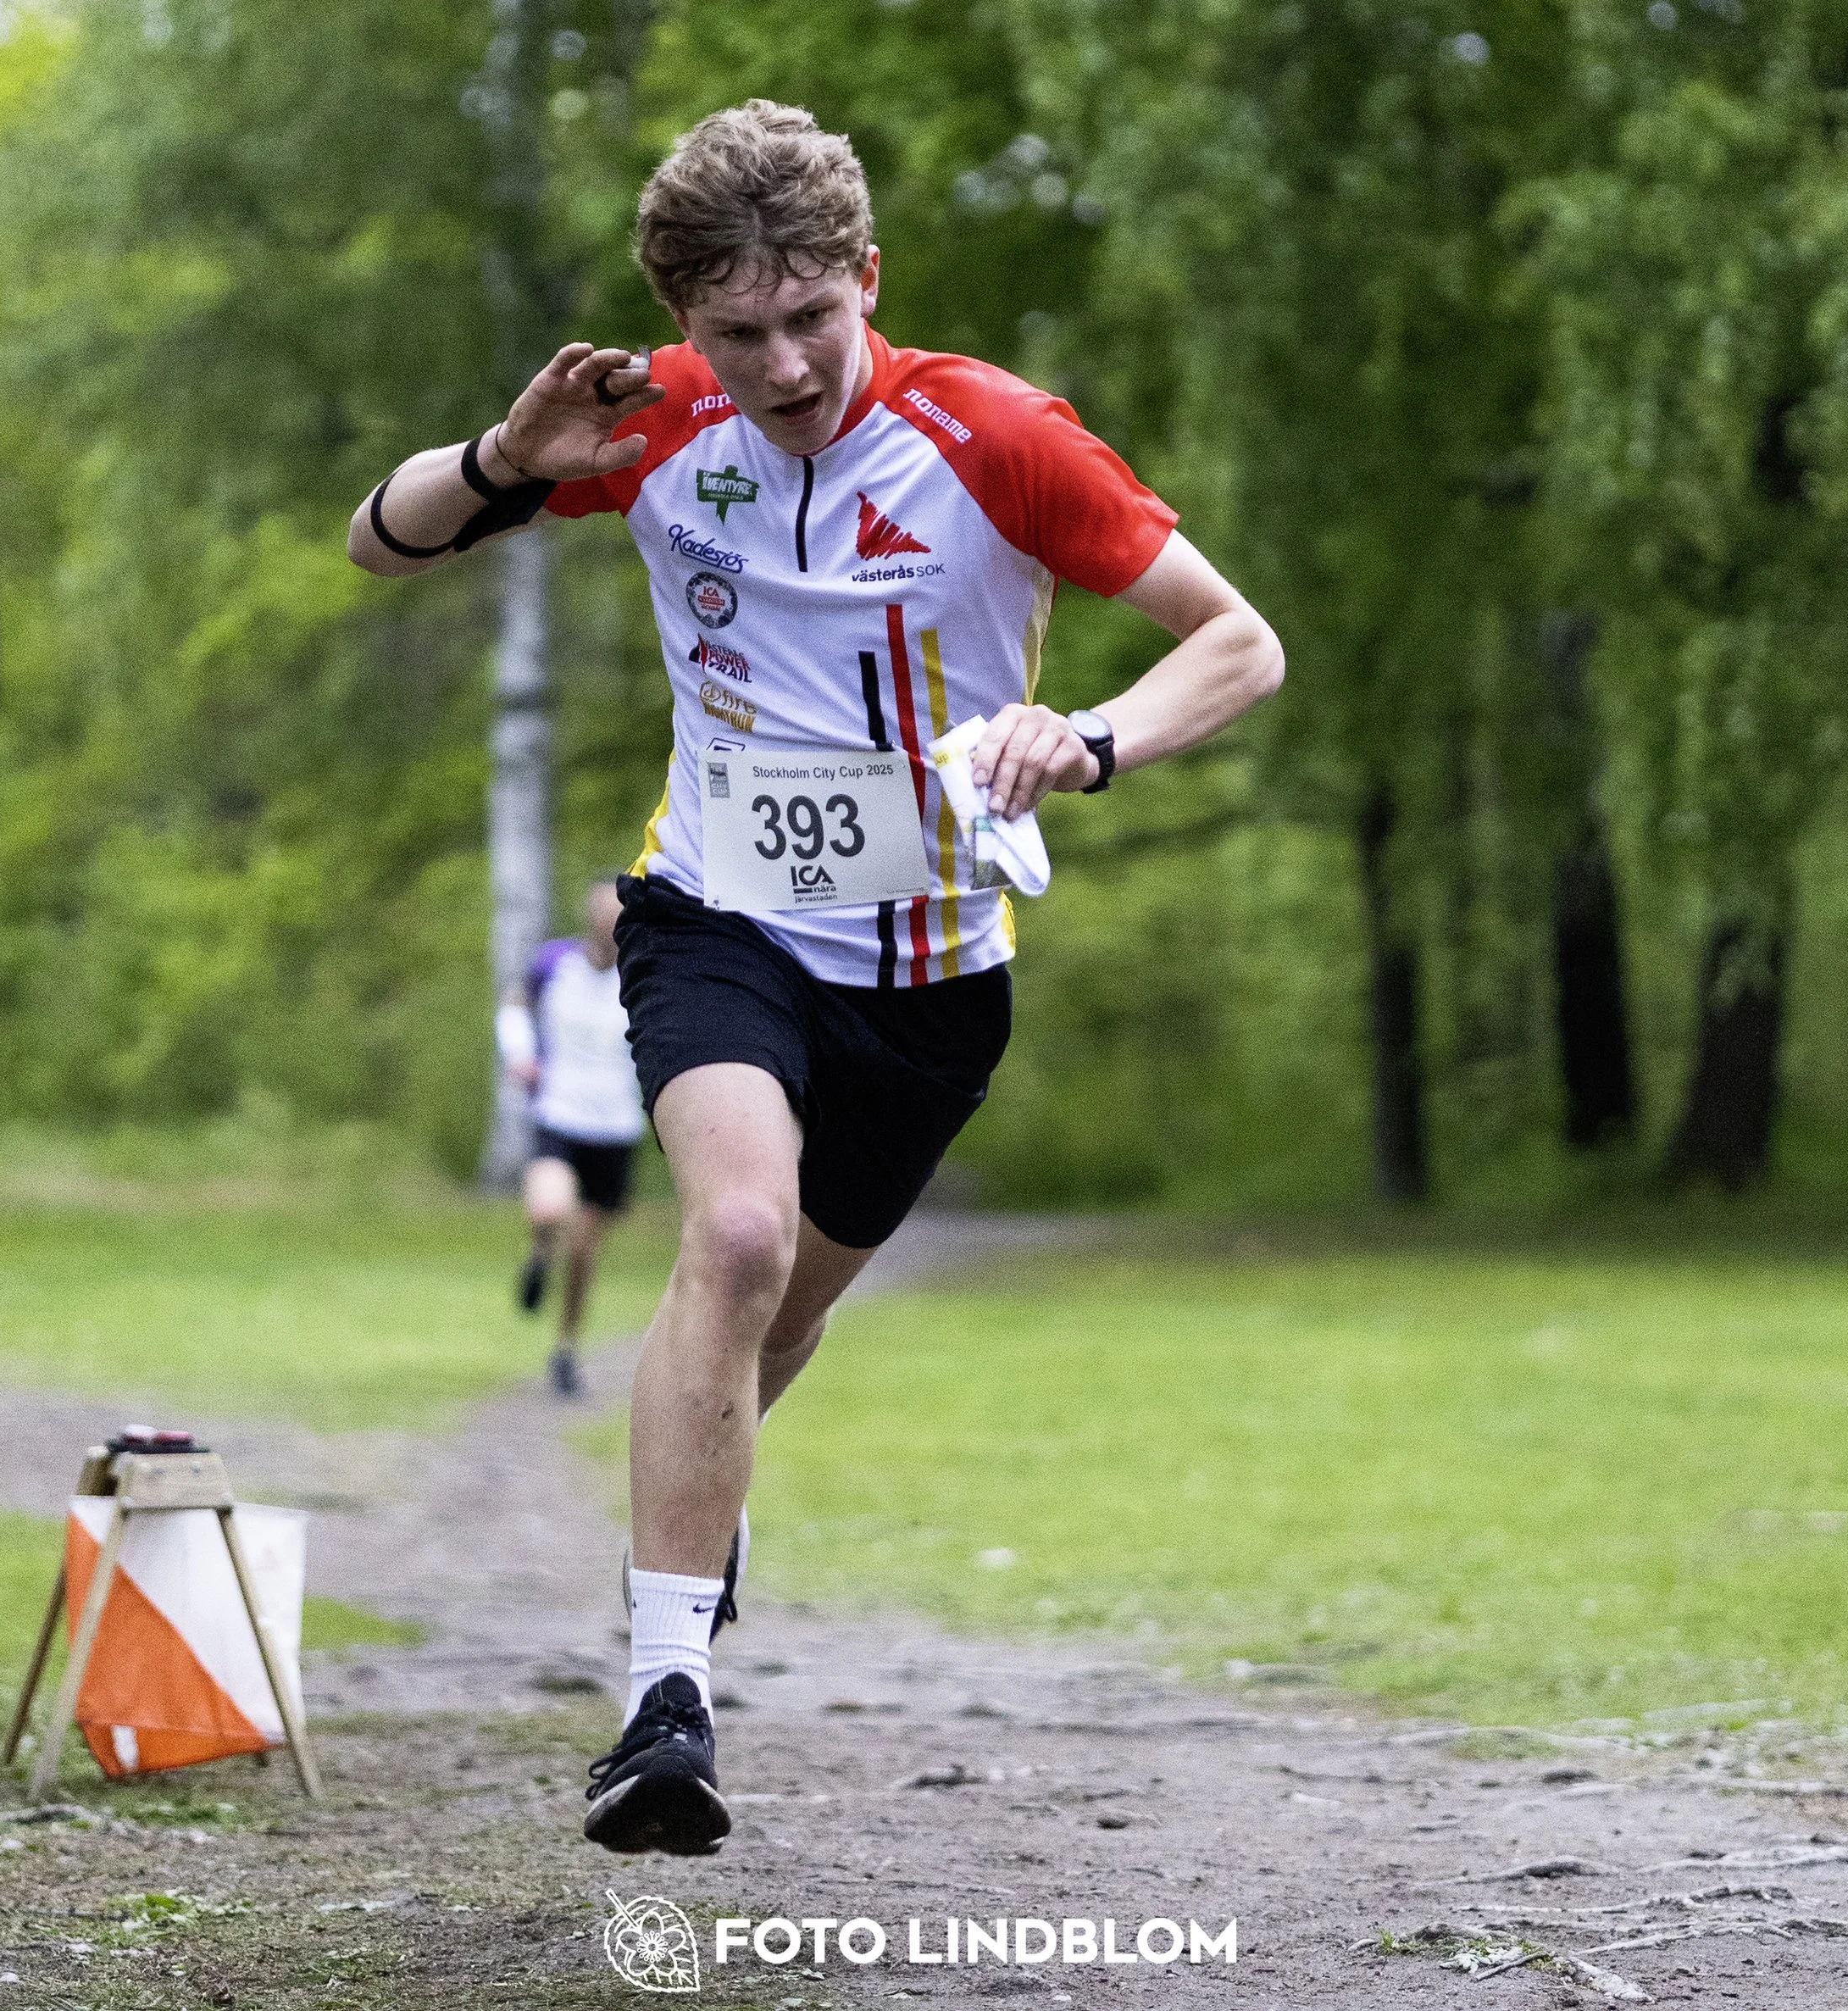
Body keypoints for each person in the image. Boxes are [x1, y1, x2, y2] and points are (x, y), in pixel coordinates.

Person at [348, 100, 1285, 1858]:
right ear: (683, 322)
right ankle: (661, 1700)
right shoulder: (650, 416)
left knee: (773, 1325)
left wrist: (1083, 738)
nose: (777, 364)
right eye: (735, 331)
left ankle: (692, 1533)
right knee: (738, 1236)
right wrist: (504, 454)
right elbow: (377, 542)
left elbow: (1237, 641)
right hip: (716, 914)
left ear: (869, 279)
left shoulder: (990, 432)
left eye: (810, 320)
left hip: (932, 973)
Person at [497, 876, 645, 1399]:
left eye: (617, 916)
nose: (608, 925)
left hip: (615, 1127)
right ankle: (538, 1257)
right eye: (601, 914)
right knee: (548, 1211)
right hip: (559, 1114)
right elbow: (514, 1004)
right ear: (588, 916)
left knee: (584, 1254)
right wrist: (520, 1055)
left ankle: (565, 1350)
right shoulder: (554, 963)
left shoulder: (641, 973)